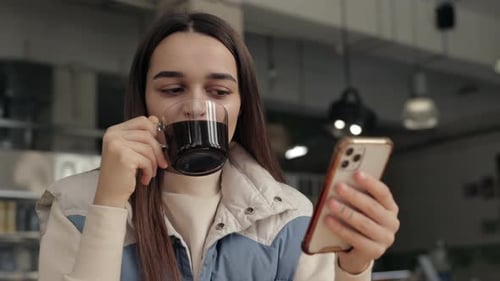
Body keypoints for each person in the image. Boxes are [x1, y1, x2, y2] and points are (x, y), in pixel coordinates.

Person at [36, 12, 400, 281]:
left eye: (219, 92)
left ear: (242, 106)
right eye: (172, 90)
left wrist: (353, 268)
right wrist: (110, 203)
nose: (196, 106)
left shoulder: (289, 217)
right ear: (143, 101)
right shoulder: (76, 205)